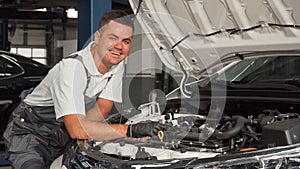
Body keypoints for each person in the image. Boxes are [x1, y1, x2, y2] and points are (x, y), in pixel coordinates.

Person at [4, 10, 169, 169]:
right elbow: (76, 129)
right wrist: (129, 130)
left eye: (126, 41)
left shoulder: (116, 65)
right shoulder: (72, 68)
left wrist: (86, 133)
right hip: (31, 136)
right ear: (98, 37)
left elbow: (102, 108)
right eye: (113, 38)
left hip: (62, 136)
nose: (119, 46)